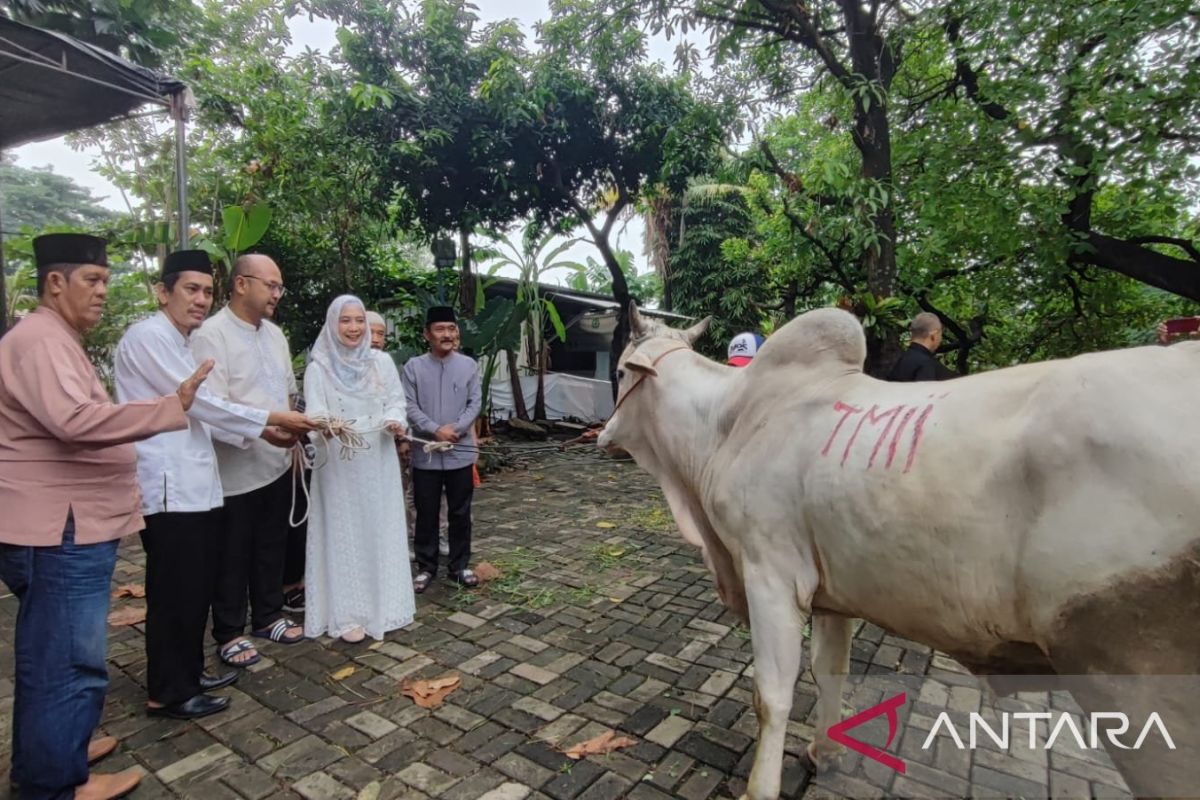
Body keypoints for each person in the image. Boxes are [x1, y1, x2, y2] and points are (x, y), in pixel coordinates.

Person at [0, 233, 210, 800]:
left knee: (52, 654)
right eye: (91, 281)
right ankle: (53, 784)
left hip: (61, 523)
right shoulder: (41, 339)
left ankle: (56, 749)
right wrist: (172, 406)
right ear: (54, 282)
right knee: (67, 662)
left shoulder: (52, 338)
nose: (101, 293)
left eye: (105, 281)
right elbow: (76, 421)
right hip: (58, 528)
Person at [114, 249, 316, 720]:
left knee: (191, 586)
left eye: (205, 290)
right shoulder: (149, 338)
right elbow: (204, 405)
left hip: (196, 481)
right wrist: (270, 419)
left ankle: (186, 673)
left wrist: (272, 428)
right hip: (167, 483)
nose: (200, 299)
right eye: (190, 289)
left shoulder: (182, 341)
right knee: (174, 590)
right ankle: (169, 689)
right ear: (163, 292)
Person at [191, 254, 305, 668]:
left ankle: (269, 616)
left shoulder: (275, 335)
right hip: (233, 469)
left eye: (279, 287)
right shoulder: (210, 335)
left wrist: (291, 442)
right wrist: (265, 430)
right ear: (241, 284)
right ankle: (228, 632)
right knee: (231, 554)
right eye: (271, 285)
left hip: (276, 462)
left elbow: (287, 395)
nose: (277, 294)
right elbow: (210, 406)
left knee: (271, 544)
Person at [303, 296, 415, 641]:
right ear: (332, 324)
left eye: (358, 321)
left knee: (378, 525)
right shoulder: (318, 367)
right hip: (339, 462)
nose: (353, 328)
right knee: (345, 529)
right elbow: (314, 415)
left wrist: (395, 421)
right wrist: (327, 427)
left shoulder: (380, 362)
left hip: (377, 459)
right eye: (345, 321)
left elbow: (396, 401)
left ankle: (387, 603)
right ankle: (348, 613)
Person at [402, 306, 482, 593]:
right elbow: (409, 406)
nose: (447, 335)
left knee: (461, 511)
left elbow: (475, 403)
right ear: (427, 334)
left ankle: (459, 566)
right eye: (440, 329)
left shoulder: (469, 366)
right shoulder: (413, 367)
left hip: (460, 452)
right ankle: (426, 567)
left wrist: (456, 430)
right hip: (427, 453)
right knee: (426, 511)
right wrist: (436, 429)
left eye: (451, 329)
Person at [887, 312, 955, 382]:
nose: (940, 340)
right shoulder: (927, 364)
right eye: (940, 335)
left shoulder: (900, 360)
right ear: (933, 336)